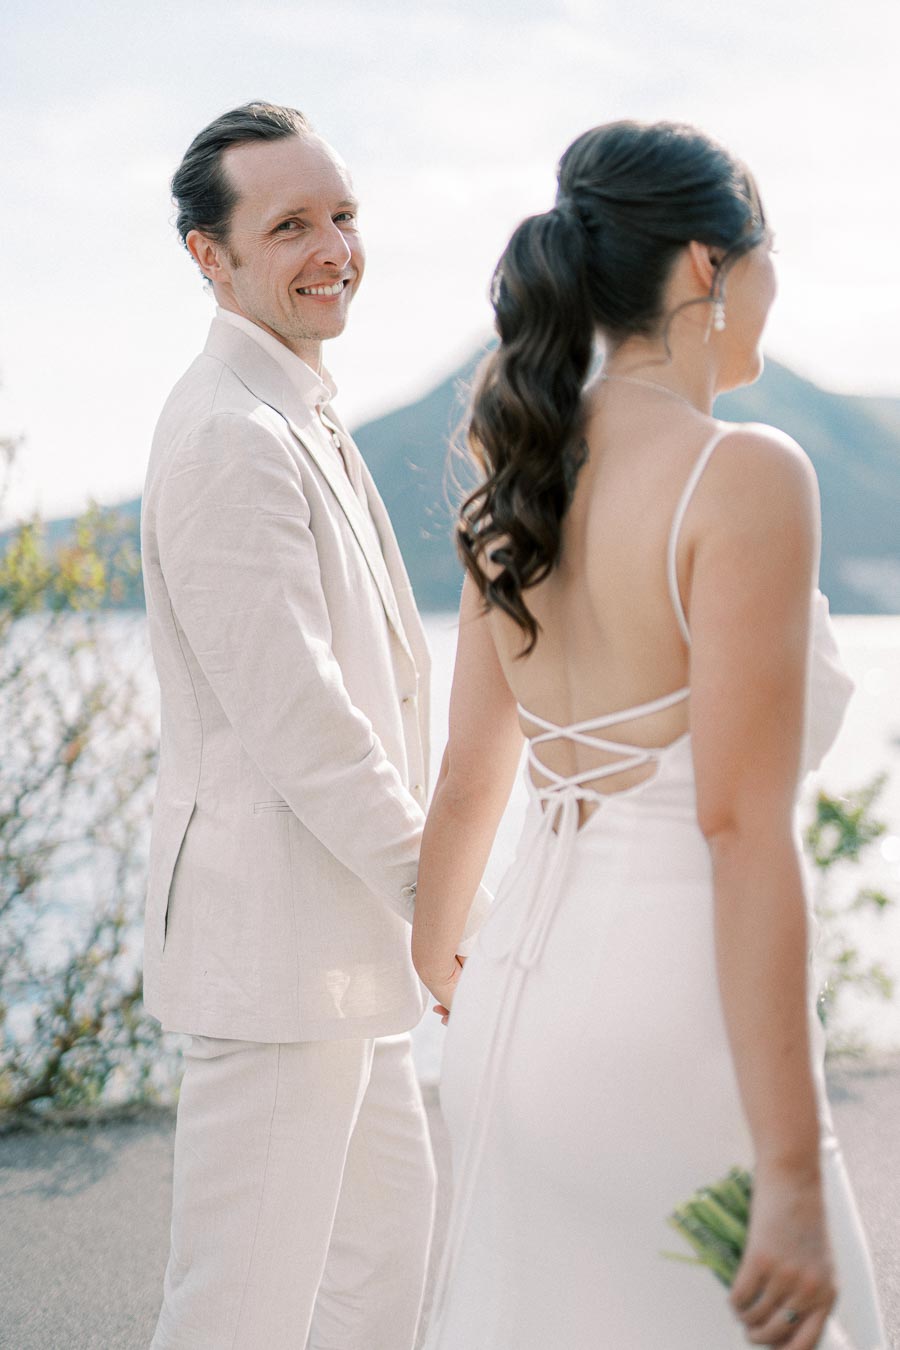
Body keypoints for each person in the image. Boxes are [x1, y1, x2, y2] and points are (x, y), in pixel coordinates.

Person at [411, 121, 886, 1349]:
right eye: (767, 251)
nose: (778, 281)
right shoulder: (745, 477)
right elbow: (738, 828)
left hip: (519, 1019)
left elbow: (469, 782)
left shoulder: (522, 476)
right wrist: (787, 1170)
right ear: (702, 268)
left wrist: (447, 972)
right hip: (672, 1036)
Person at [141, 102, 488, 1350]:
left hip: (345, 953)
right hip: (281, 952)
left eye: (342, 215)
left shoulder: (297, 406)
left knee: (381, 1276)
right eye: (289, 225)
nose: (333, 246)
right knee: (237, 1310)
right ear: (209, 256)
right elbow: (304, 721)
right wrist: (436, 899)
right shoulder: (231, 434)